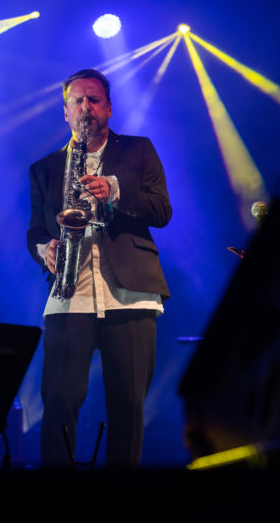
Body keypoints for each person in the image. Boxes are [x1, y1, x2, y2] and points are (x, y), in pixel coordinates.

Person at [27, 69, 172, 468]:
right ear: (65, 112)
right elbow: (35, 230)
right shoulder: (44, 168)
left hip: (131, 294)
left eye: (94, 100)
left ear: (109, 108)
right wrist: (43, 249)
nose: (85, 107)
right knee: (58, 400)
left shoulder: (139, 149)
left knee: (128, 404)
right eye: (77, 101)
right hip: (69, 293)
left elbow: (162, 210)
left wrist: (115, 192)